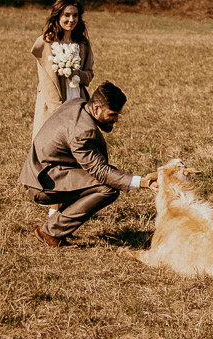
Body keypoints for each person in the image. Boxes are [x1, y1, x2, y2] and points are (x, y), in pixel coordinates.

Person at [20, 81, 156, 247]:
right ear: (97, 108)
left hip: (44, 172)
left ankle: (53, 226)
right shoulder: (82, 132)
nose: (116, 119)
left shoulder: (78, 103)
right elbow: (100, 171)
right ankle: (51, 232)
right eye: (113, 114)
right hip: (42, 183)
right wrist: (142, 182)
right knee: (107, 188)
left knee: (101, 182)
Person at [31, 0, 95, 139]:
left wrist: (75, 73)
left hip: (77, 97)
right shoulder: (46, 42)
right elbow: (47, 82)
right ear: (57, 16)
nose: (71, 20)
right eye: (66, 15)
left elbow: (89, 76)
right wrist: (58, 111)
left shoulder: (82, 44)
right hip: (53, 101)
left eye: (75, 15)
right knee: (51, 143)